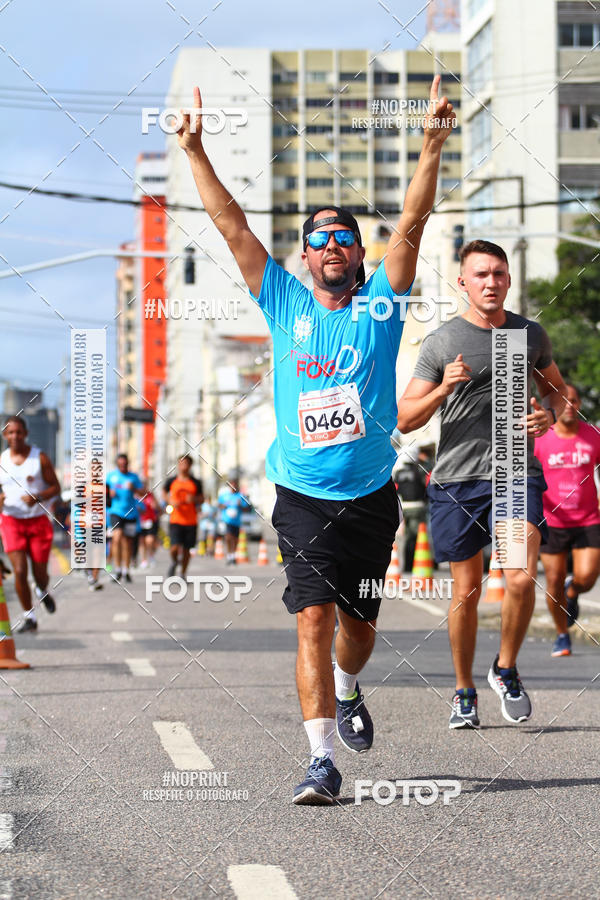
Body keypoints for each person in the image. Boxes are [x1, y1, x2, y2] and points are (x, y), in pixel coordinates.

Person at [177, 75, 455, 803]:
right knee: (312, 617)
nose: (331, 245)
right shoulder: (284, 299)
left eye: (343, 236)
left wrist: (431, 143)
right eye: (318, 238)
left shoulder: (382, 303)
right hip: (300, 493)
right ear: (303, 257)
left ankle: (350, 685)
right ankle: (321, 760)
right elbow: (233, 227)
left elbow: (416, 223)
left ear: (359, 253)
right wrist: (195, 152)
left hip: (370, 496)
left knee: (358, 625)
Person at [397, 240, 567, 729]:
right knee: (466, 591)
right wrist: (444, 388)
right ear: (463, 283)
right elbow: (406, 419)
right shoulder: (442, 342)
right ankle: (463, 690)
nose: (491, 282)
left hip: (516, 473)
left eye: (498, 274)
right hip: (455, 479)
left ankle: (506, 667)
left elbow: (556, 391)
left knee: (517, 577)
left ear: (508, 280)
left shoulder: (528, 335)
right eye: (481, 275)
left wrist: (548, 415)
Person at [534, 384, 600, 657]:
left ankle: (572, 592)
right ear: (554, 406)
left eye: (573, 401)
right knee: (552, 580)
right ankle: (562, 635)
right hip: (552, 521)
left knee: (586, 577)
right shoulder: (540, 439)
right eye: (564, 401)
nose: (569, 406)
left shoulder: (593, 436)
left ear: (580, 404)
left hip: (588, 518)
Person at [0, 415, 61, 632]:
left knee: (40, 573)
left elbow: (56, 487)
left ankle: (42, 590)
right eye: (10, 432)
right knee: (19, 570)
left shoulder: (39, 458)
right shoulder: (2, 461)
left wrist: (39, 497)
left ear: (25, 434)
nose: (15, 436)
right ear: (5, 435)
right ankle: (29, 616)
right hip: (11, 521)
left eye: (18, 432)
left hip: (37, 522)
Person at [106, 454, 144, 583]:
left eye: (125, 464)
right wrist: (108, 493)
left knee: (128, 542)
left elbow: (143, 492)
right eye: (120, 464)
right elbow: (100, 491)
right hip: (115, 512)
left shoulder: (133, 477)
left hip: (131, 513)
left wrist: (133, 488)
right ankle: (117, 570)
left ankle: (126, 570)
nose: (123, 466)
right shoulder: (111, 477)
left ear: (128, 464)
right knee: (116, 538)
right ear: (117, 465)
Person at [163, 455, 203, 577]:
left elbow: (202, 498)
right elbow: (164, 493)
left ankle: (183, 574)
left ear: (190, 465)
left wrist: (194, 499)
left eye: (185, 463)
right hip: (176, 519)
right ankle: (174, 562)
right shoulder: (171, 481)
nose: (183, 466)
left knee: (186, 550)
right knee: (174, 547)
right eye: (180, 463)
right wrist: (170, 501)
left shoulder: (196, 482)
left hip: (191, 521)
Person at [217, 478, 247, 565]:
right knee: (228, 537)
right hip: (227, 520)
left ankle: (233, 556)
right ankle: (229, 555)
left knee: (235, 539)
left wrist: (240, 505)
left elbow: (246, 508)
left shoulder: (240, 496)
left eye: (234, 485)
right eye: (231, 485)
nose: (233, 487)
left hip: (237, 521)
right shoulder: (224, 496)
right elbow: (219, 505)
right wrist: (224, 506)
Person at [139, 490, 160, 568]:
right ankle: (143, 560)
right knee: (142, 542)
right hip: (140, 521)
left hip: (150, 520)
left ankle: (151, 556)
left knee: (149, 540)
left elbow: (156, 506)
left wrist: (155, 505)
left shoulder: (150, 494)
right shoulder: (135, 495)